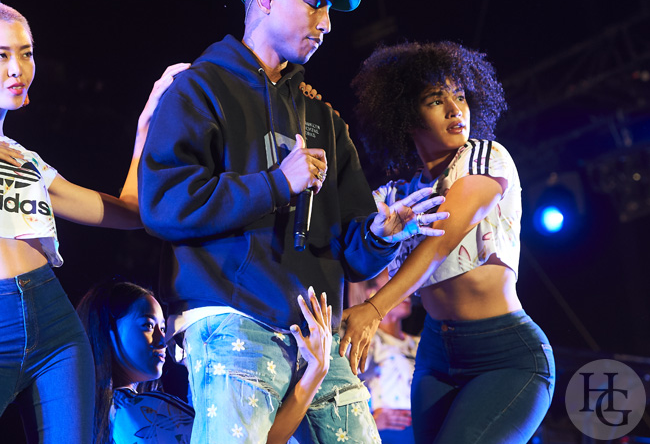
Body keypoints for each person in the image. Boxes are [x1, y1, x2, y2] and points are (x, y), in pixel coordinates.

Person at [137, 0, 448, 443]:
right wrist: (278, 182)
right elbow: (165, 205)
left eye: (329, 10)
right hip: (233, 322)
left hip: (319, 335)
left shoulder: (323, 118)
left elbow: (353, 254)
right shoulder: (199, 90)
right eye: (314, 3)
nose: (325, 23)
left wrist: (383, 232)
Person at [0, 0, 188, 443]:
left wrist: (146, 128)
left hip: (55, 326)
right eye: (1, 55)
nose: (18, 68)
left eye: (26, 53)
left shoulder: (27, 160)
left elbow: (130, 212)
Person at [345, 41, 555, 443]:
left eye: (459, 96)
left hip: (506, 357)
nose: (455, 109)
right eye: (435, 100)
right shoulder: (399, 196)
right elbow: (352, 249)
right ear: (407, 117)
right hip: (435, 360)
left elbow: (442, 238)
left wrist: (374, 308)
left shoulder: (485, 158)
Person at [76, 281, 334, 444]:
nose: (162, 339)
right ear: (106, 330)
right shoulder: (136, 411)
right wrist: (315, 372)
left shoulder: (93, 415)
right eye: (147, 325)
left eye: (163, 328)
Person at [349, 270, 419, 444]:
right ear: (372, 294)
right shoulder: (366, 342)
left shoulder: (421, 342)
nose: (407, 292)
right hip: (386, 435)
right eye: (397, 286)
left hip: (421, 432)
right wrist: (370, 419)